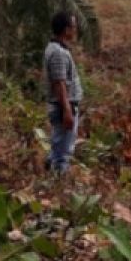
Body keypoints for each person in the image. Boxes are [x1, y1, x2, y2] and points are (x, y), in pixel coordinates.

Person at [44, 11, 84, 174]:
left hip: (64, 106)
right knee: (63, 153)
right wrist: (67, 111)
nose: (75, 30)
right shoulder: (58, 53)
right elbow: (59, 83)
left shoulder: (57, 49)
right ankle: (58, 184)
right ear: (66, 30)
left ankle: (49, 175)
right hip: (62, 108)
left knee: (58, 147)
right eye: (73, 27)